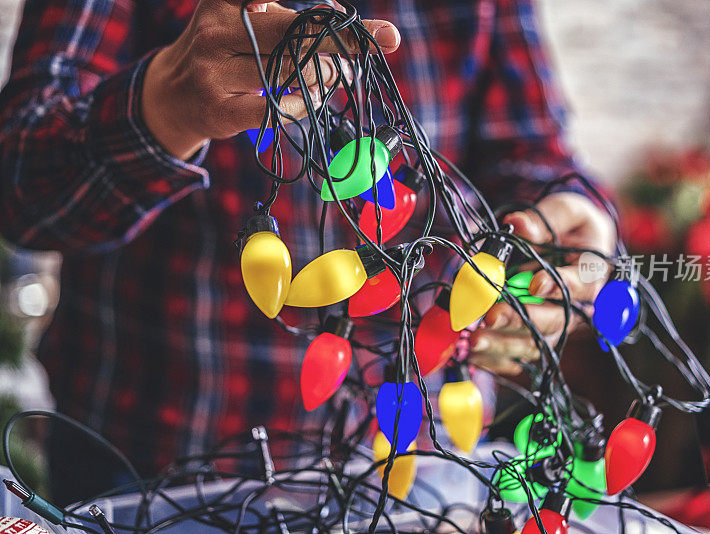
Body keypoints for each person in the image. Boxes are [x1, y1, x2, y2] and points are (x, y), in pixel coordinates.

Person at [0, 0, 614, 503]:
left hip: (424, 464)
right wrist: (163, 105)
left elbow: (533, 152)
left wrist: (573, 219)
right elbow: (24, 192)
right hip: (150, 462)